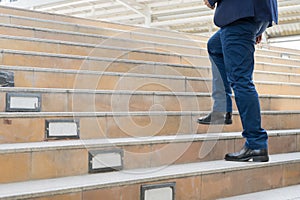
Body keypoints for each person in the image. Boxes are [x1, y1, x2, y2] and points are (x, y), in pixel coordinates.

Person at [202, 0, 278, 162]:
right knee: (214, 46)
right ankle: (221, 109)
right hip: (255, 13)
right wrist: (258, 23)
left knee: (241, 80)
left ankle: (256, 143)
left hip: (241, 14)